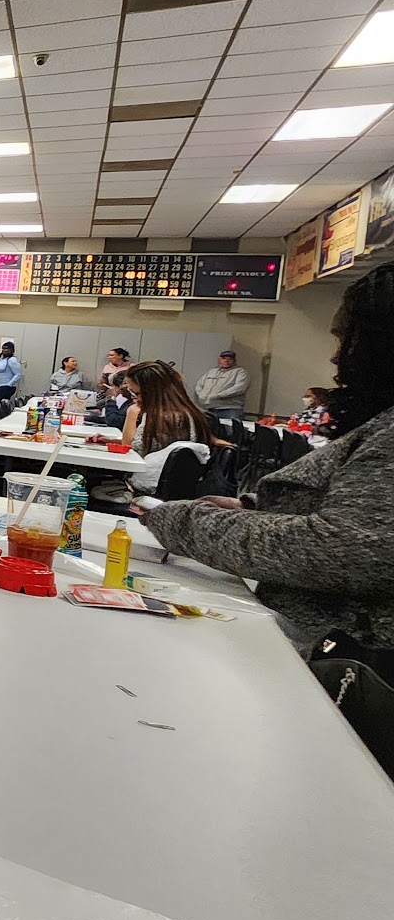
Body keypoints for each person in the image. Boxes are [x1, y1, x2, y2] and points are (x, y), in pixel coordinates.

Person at [143, 267, 394, 651]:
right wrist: (258, 508)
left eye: (345, 340)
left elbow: (343, 550)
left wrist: (188, 522)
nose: (336, 356)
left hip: (346, 657)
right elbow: (365, 513)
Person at [111, 360, 222, 496]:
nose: (134, 398)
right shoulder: (188, 413)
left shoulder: (161, 418)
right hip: (174, 488)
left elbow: (132, 454)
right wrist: (112, 441)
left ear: (152, 392)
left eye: (136, 393)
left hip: (149, 491)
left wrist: (132, 413)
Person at [194, 349, 249, 423]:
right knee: (211, 429)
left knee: (229, 430)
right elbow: (199, 384)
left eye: (229, 359)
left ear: (234, 361)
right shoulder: (211, 372)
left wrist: (219, 395)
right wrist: (201, 395)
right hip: (210, 409)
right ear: (219, 359)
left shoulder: (240, 372)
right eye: (224, 358)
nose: (226, 360)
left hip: (230, 409)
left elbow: (239, 388)